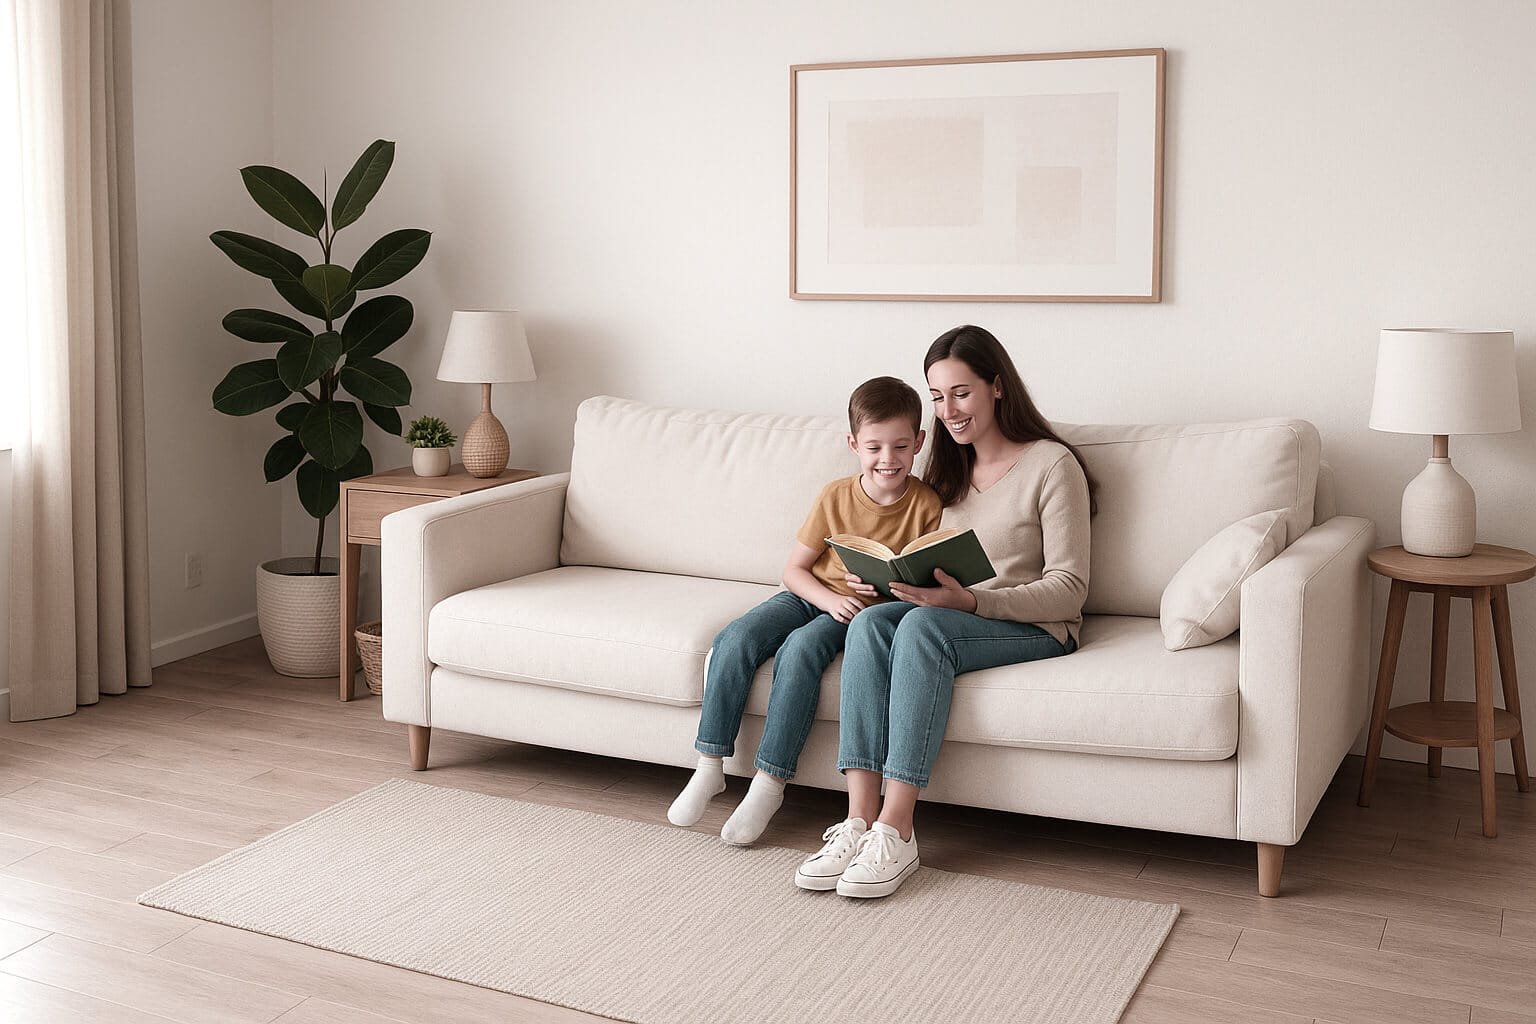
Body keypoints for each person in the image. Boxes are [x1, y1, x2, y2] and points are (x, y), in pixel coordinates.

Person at [793, 325, 1095, 898]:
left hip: (1036, 625)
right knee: (874, 620)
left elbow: (1070, 588)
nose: (948, 410)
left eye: (961, 392)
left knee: (926, 628)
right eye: (937, 396)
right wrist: (883, 582)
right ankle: (858, 819)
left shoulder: (1052, 466)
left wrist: (972, 600)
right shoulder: (943, 476)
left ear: (997, 387)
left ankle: (897, 826)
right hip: (951, 613)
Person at [667, 377, 942, 845]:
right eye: (874, 446)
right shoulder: (835, 495)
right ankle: (710, 764)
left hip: (860, 615)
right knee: (734, 638)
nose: (887, 459)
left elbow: (921, 587)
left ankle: (769, 782)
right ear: (853, 444)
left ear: (919, 441)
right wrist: (828, 597)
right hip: (811, 595)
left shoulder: (927, 505)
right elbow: (793, 571)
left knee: (799, 652)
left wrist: (877, 592)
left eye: (900, 445)